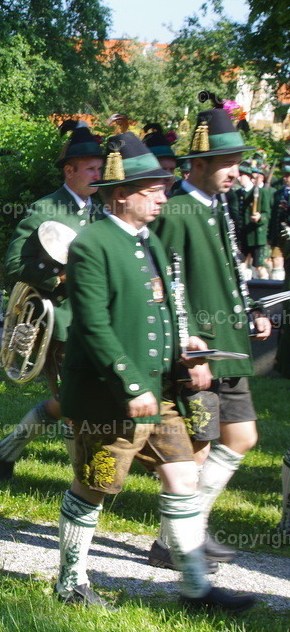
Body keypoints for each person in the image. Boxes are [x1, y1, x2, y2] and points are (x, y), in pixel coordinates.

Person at [54, 131, 254, 614]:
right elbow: (94, 324)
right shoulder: (91, 243)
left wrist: (188, 344)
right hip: (109, 397)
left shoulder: (149, 242)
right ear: (122, 194)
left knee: (184, 476)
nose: (165, 196)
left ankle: (194, 588)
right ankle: (69, 581)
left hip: (157, 393)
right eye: (155, 189)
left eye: (165, 187)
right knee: (93, 486)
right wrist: (131, 382)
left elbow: (167, 307)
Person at [149, 103, 272, 570]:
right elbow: (166, 285)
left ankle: (185, 530)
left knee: (241, 437)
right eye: (226, 163)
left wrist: (255, 308)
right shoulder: (175, 211)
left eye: (237, 163)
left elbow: (232, 269)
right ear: (197, 164)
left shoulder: (218, 205)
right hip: (199, 351)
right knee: (196, 450)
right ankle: (178, 541)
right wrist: (185, 347)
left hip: (231, 346)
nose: (234, 172)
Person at [0, 120, 102, 481]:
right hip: (61, 322)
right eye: (92, 168)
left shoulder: (101, 210)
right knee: (75, 403)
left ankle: (4, 451)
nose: (99, 173)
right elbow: (15, 264)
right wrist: (59, 277)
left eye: (100, 167)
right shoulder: (45, 209)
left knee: (79, 400)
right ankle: (85, 482)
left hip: (97, 322)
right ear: (70, 170)